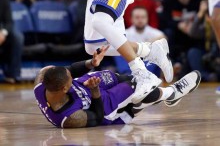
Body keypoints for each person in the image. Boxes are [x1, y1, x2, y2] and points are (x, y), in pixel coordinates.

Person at [34, 46, 201, 128]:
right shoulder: (70, 118)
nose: (71, 74)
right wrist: (95, 92)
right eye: (70, 79)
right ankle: (172, 92)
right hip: (101, 106)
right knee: (138, 90)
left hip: (86, 86)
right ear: (64, 89)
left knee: (131, 79)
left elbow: (69, 70)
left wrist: (91, 63)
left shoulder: (44, 76)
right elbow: (99, 117)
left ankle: (167, 95)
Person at [0, 0, 24, 83]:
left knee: (18, 37)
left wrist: (3, 33)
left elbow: (9, 21)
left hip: (1, 30)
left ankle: (13, 75)